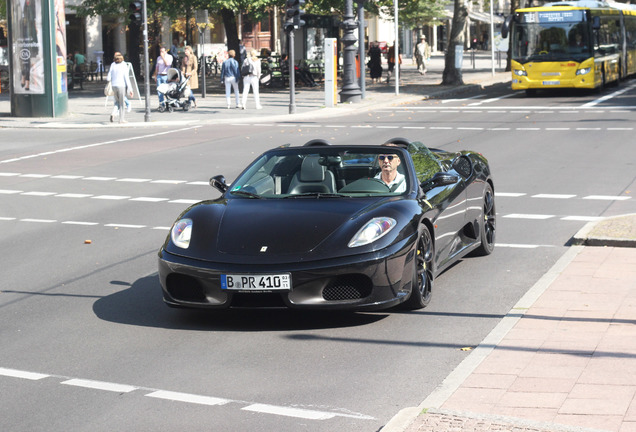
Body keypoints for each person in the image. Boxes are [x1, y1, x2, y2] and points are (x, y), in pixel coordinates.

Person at [107, 52, 133, 124]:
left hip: (114, 86)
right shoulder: (124, 65)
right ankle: (121, 119)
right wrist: (130, 89)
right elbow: (126, 78)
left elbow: (108, 77)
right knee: (121, 103)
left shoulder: (112, 65)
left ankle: (113, 113)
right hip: (121, 85)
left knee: (117, 101)